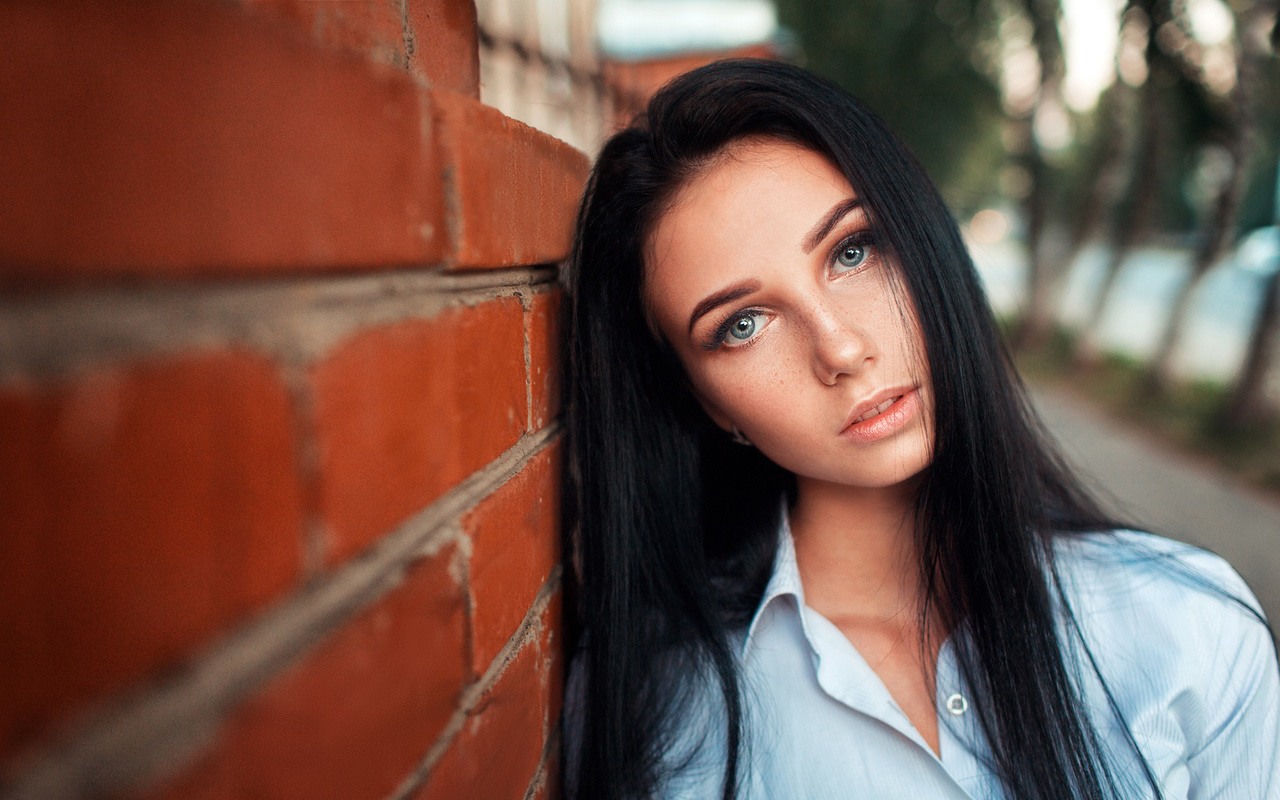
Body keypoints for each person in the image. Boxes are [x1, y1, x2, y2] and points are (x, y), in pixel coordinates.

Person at [559, 59, 1279, 800]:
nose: (840, 349)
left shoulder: (1188, 626)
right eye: (742, 325)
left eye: (852, 250)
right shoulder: (649, 711)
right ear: (704, 401)